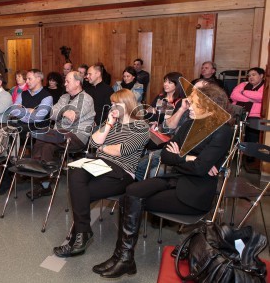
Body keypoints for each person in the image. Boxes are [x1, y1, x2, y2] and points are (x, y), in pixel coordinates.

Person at [93, 84, 232, 279]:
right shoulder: (190, 124)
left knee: (132, 200)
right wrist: (190, 159)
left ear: (209, 107)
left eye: (194, 103)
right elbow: (166, 155)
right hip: (175, 178)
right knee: (131, 192)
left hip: (193, 193)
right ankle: (123, 257)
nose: (188, 106)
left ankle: (124, 258)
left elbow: (200, 168)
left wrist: (184, 157)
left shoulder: (222, 131)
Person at [53, 89, 149, 257]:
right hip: (101, 165)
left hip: (122, 172)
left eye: (115, 104)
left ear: (126, 104)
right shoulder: (113, 123)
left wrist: (103, 148)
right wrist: (109, 124)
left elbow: (122, 150)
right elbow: (93, 141)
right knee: (75, 173)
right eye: (111, 103)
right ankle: (82, 234)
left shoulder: (141, 126)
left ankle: (78, 238)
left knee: (80, 192)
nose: (112, 107)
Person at [30, 71, 95, 199]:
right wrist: (64, 112)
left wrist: (62, 113)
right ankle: (40, 178)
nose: (64, 83)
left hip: (77, 136)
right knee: (41, 140)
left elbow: (72, 118)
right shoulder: (64, 97)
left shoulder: (86, 99)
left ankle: (43, 180)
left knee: (48, 140)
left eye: (67, 81)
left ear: (77, 83)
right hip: (57, 134)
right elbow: (51, 113)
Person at [230, 67, 265, 165]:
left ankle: (250, 155)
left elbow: (261, 97)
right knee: (230, 129)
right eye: (249, 75)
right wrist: (250, 99)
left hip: (254, 114)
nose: (250, 77)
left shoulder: (265, 86)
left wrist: (243, 92)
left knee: (252, 131)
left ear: (261, 76)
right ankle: (232, 152)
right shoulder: (243, 84)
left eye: (253, 75)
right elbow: (233, 95)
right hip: (238, 112)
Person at [9, 69, 53, 139]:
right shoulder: (22, 94)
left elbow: (37, 118)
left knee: (13, 131)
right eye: (26, 79)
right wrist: (29, 110)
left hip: (37, 129)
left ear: (38, 79)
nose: (26, 81)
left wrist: (21, 110)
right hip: (21, 127)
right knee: (5, 128)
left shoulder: (47, 97)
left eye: (29, 79)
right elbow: (13, 110)